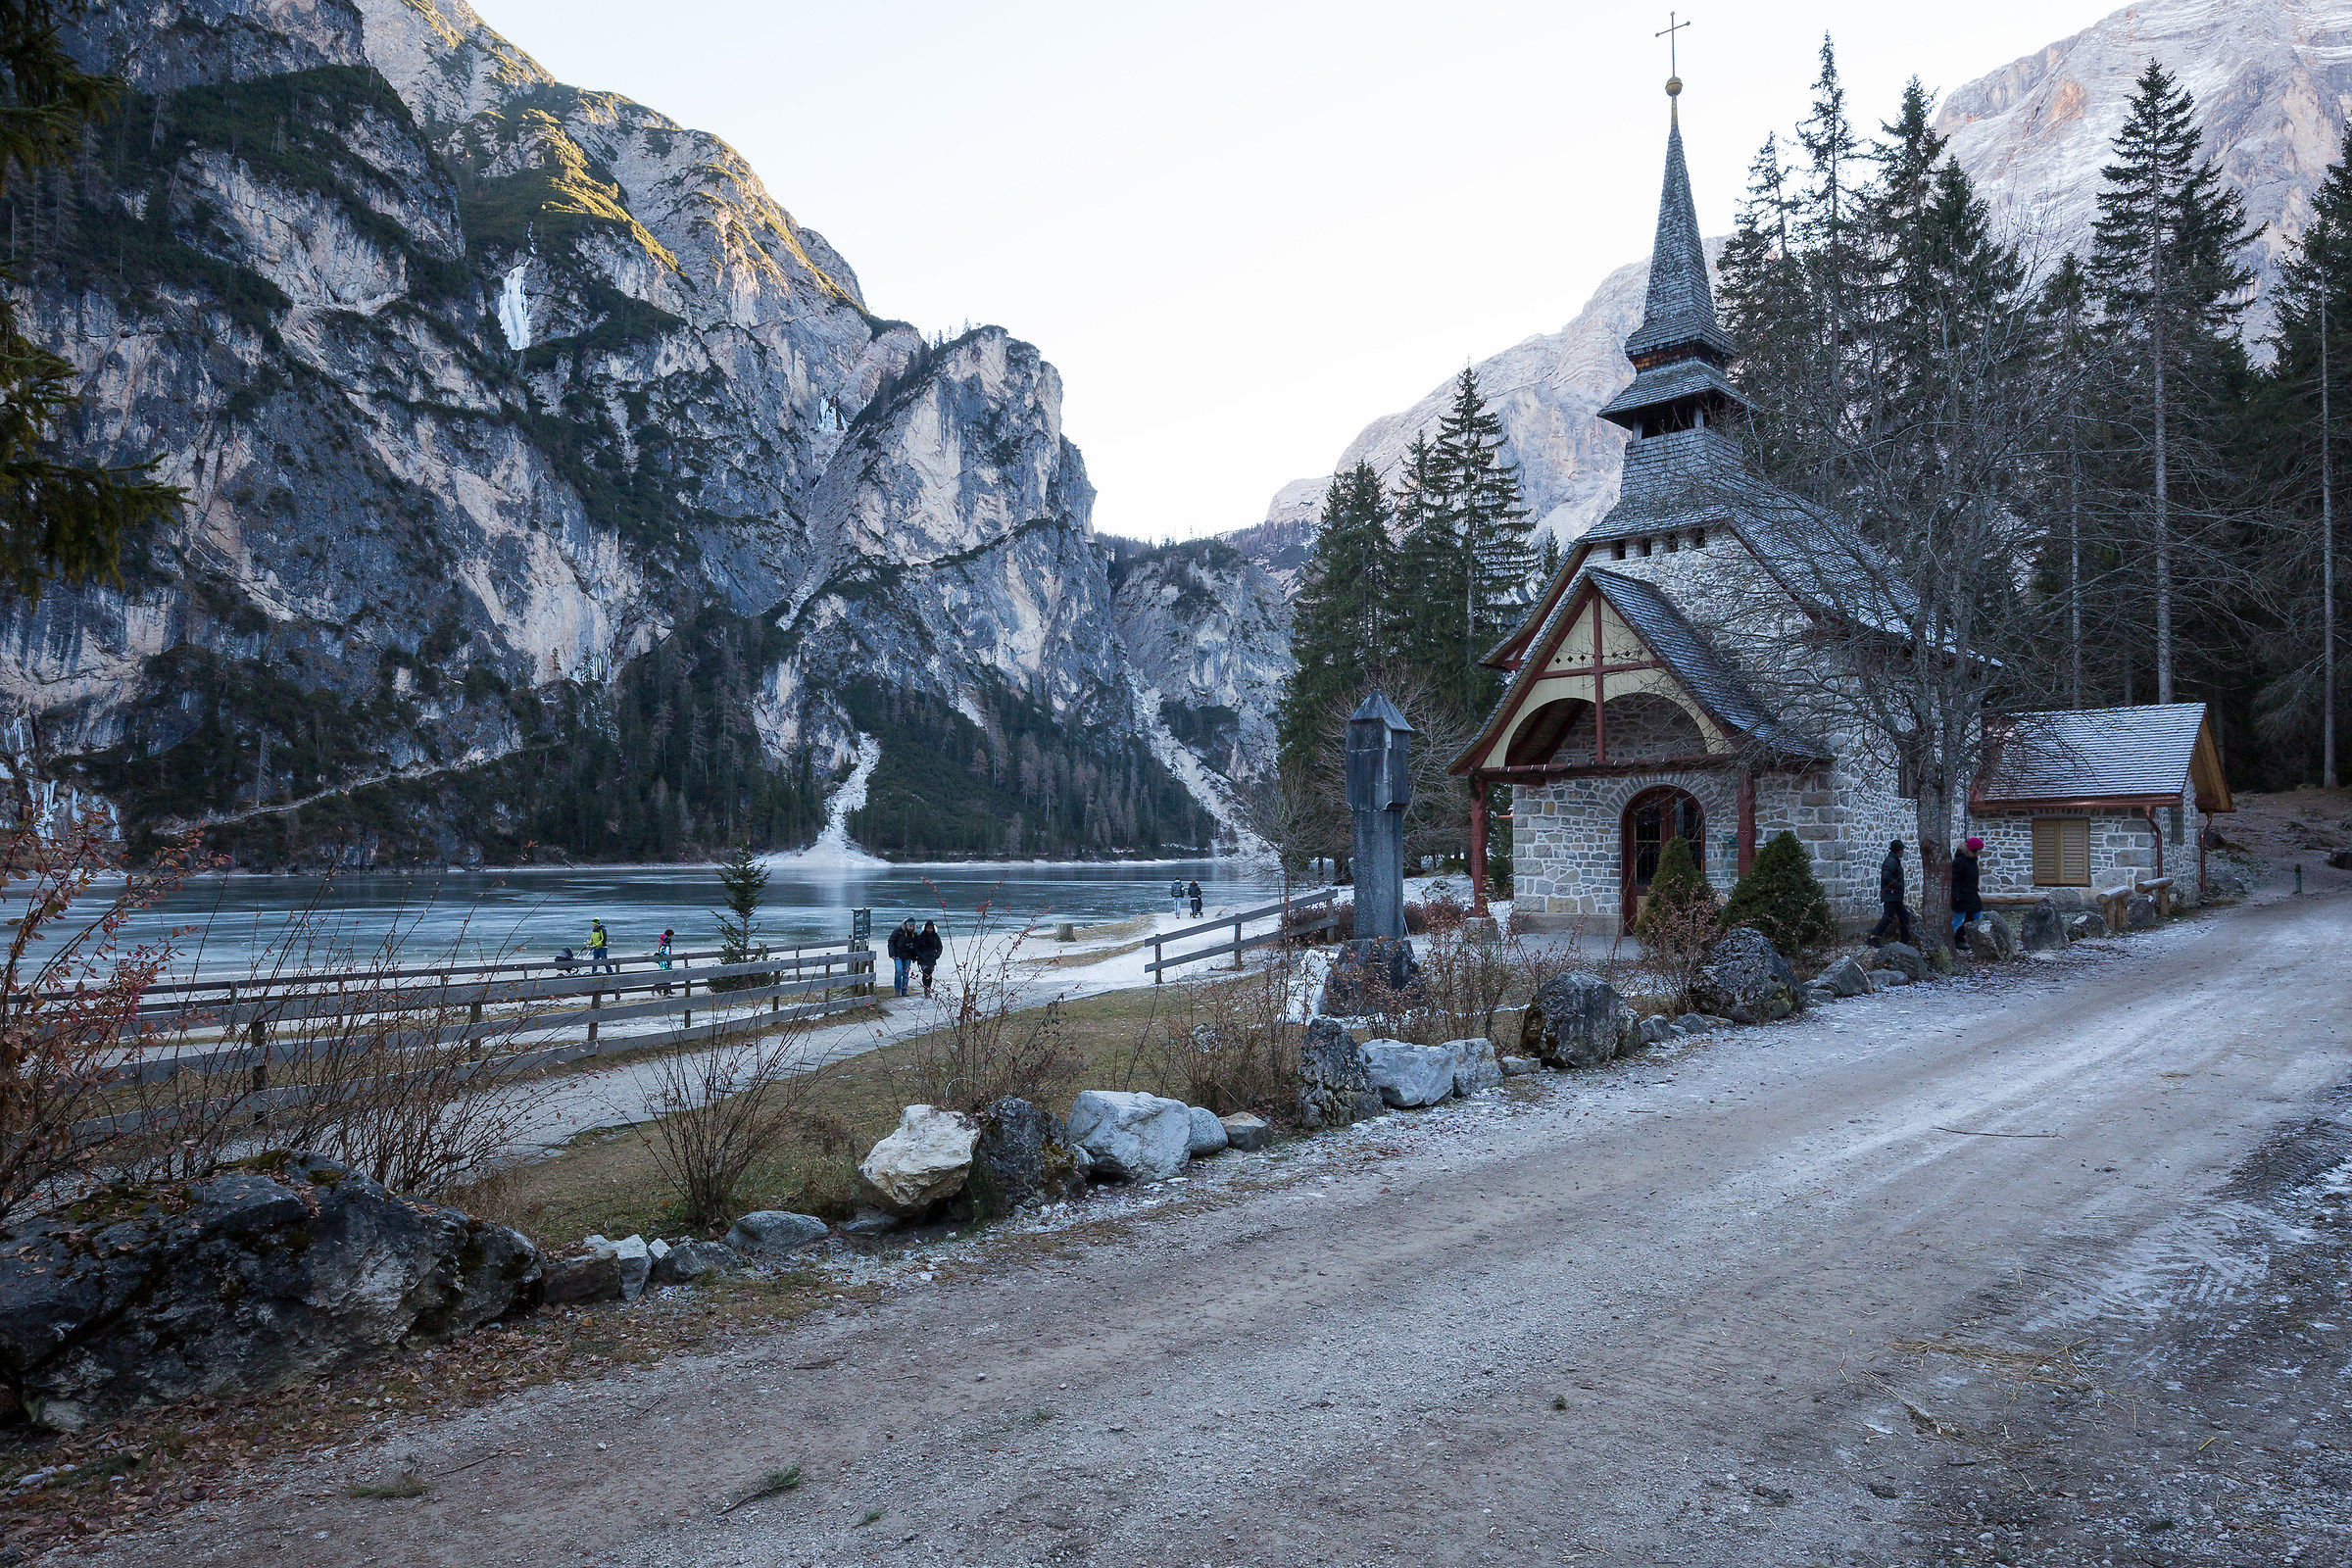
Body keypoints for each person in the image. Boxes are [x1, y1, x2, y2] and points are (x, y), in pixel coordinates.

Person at [1869, 839, 1914, 948]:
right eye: (1902, 849)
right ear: (1898, 850)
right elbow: (1886, 877)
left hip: (1895, 896)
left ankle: (1905, 939)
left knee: (1903, 916)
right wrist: (1897, 886)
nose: (1903, 851)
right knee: (1888, 917)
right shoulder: (1891, 861)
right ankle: (1873, 938)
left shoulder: (1893, 860)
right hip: (1891, 895)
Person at [1950, 836, 1984, 940]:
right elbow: (1955, 881)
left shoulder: (1972, 861)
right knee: (1958, 921)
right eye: (1979, 850)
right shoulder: (1959, 862)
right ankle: (1949, 941)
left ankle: (1981, 942)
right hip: (1962, 897)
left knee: (1978, 919)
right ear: (1975, 850)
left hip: (1972, 896)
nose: (1980, 852)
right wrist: (1957, 897)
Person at [887, 917, 919, 997]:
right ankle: (897, 989)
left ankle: (904, 990)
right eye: (910, 926)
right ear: (906, 925)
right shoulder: (898, 932)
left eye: (913, 926)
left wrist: (915, 957)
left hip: (908, 956)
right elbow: (890, 941)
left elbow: (916, 946)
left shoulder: (914, 935)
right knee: (899, 971)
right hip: (898, 955)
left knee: (905, 974)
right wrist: (892, 953)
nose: (912, 927)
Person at [913, 919, 943, 996]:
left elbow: (940, 947)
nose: (929, 930)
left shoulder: (936, 937)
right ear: (925, 928)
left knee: (929, 973)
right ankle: (926, 989)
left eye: (931, 928)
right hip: (923, 958)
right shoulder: (921, 937)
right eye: (928, 928)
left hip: (932, 958)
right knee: (925, 973)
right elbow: (916, 948)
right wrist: (919, 955)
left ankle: (928, 988)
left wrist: (937, 955)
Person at [654, 927, 675, 995]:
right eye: (672, 935)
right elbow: (664, 953)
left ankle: (668, 989)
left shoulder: (664, 941)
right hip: (665, 961)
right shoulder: (666, 942)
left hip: (664, 961)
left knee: (667, 975)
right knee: (667, 975)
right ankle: (661, 988)